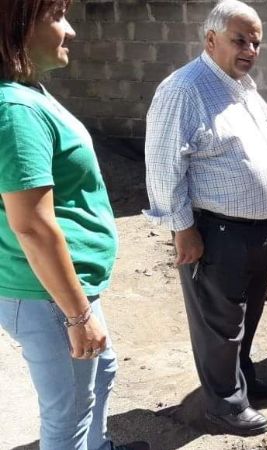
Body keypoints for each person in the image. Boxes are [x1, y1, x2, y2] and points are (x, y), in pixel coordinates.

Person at [0, 1, 148, 449]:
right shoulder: (15, 110)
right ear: (17, 23)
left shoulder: (27, 92)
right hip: (47, 294)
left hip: (59, 290)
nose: (72, 30)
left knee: (101, 372)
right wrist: (78, 314)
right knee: (68, 417)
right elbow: (32, 225)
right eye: (57, 15)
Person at [143, 0, 267, 437]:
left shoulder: (242, 87)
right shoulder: (184, 89)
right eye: (239, 40)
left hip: (261, 229)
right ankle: (223, 405)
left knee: (246, 316)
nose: (250, 49)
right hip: (217, 231)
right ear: (210, 39)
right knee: (220, 322)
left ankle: (241, 380)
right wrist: (182, 228)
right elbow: (163, 164)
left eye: (256, 42)